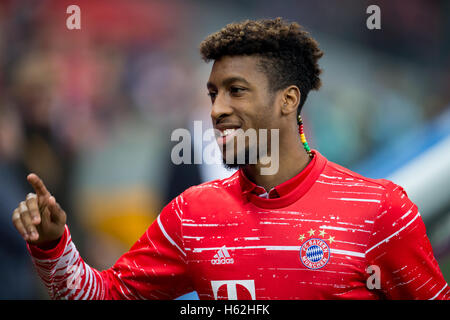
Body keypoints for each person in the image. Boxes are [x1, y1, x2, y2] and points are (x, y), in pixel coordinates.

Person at [11, 18, 449, 300]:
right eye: (213, 93)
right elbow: (102, 296)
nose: (217, 109)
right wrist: (52, 245)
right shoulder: (192, 214)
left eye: (236, 90)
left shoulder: (380, 211)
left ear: (287, 101)